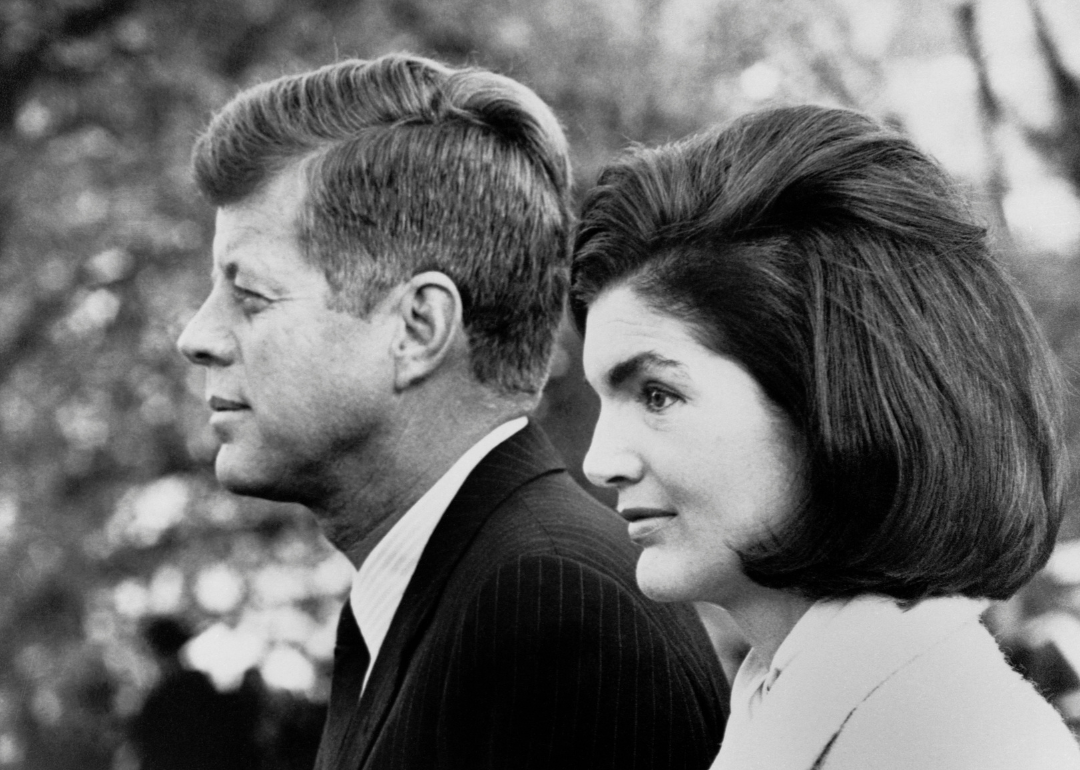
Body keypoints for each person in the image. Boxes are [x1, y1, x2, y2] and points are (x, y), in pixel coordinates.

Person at [177, 53, 727, 770]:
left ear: (417, 328)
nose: (197, 337)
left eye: (250, 296)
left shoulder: (553, 612)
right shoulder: (440, 593)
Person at [571, 104, 1080, 770]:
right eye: (604, 400)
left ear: (832, 401)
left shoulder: (953, 744)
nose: (598, 462)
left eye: (657, 395)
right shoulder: (795, 709)